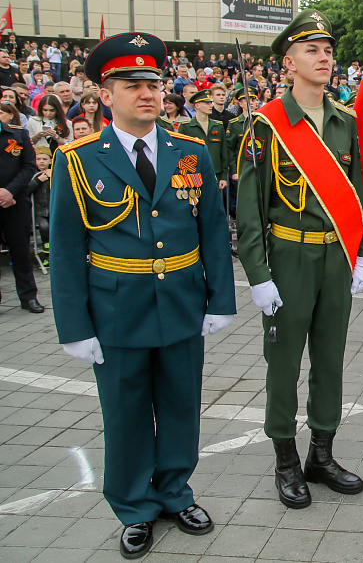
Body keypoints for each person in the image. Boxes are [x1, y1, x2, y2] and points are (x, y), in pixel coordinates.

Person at [49, 32, 235, 558]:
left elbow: (213, 230)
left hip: (180, 298)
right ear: (105, 94)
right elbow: (64, 248)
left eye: (153, 83)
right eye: (132, 85)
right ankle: (134, 506)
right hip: (116, 306)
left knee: (180, 405)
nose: (147, 94)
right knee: (126, 413)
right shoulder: (79, 158)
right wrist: (75, 327)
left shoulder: (190, 151)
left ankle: (175, 491)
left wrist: (220, 298)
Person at [236, 9, 363, 509]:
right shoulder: (266, 125)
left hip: (335, 259)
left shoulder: (345, 122)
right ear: (288, 62)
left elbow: (357, 193)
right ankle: (285, 461)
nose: (323, 58)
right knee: (283, 364)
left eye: (328, 50)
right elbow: (250, 209)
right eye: (311, 50)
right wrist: (258, 275)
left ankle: (322, 453)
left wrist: (361, 256)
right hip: (288, 259)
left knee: (330, 362)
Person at [0, 100, 42, 311]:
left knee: (21, 252)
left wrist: (10, 191)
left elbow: (28, 166)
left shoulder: (18, 135)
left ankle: (28, 297)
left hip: (15, 202)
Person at [25, 145, 52, 265]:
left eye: (44, 159)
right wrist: (37, 181)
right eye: (38, 159)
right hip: (39, 211)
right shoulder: (32, 174)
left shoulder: (55, 172)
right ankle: (47, 253)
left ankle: (54, 253)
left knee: (55, 227)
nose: (41, 161)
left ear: (50, 160)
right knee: (44, 226)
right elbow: (26, 191)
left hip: (52, 209)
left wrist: (53, 177)